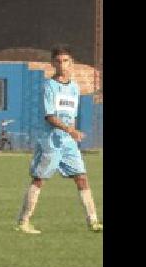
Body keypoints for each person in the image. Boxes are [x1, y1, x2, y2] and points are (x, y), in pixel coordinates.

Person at [15, 45, 103, 234]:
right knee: (39, 179)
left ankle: (93, 221)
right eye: (58, 61)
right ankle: (23, 221)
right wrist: (70, 130)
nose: (62, 65)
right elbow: (50, 116)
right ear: (53, 63)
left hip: (68, 142)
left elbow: (70, 114)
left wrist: (71, 132)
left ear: (72, 63)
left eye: (66, 61)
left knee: (82, 178)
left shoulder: (74, 88)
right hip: (51, 140)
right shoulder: (49, 86)